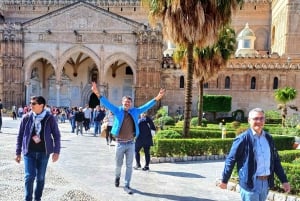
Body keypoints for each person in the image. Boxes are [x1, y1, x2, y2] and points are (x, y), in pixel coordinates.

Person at [91, 82, 165, 194]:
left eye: (129, 102)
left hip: (130, 143)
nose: (127, 104)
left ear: (131, 104)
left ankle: (127, 184)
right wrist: (97, 93)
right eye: (125, 102)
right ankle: (117, 177)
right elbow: (106, 103)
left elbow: (146, 106)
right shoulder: (117, 110)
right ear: (122, 103)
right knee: (118, 165)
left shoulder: (135, 111)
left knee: (129, 165)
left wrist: (157, 98)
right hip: (120, 144)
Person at [218, 108, 290, 201]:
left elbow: (275, 160)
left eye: (261, 118)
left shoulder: (268, 138)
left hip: (266, 183)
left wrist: (284, 181)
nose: (259, 121)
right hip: (250, 183)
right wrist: (224, 180)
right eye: (255, 118)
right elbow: (231, 159)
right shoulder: (243, 138)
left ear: (264, 120)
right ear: (249, 120)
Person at [15, 96, 61, 201]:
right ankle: (28, 199)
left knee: (40, 178)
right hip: (29, 152)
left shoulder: (50, 118)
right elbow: (20, 135)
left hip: (43, 153)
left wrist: (56, 151)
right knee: (29, 177)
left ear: (41, 105)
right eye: (31, 103)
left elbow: (57, 135)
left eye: (33, 103)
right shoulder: (26, 118)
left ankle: (37, 198)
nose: (31, 105)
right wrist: (18, 152)